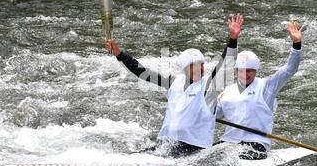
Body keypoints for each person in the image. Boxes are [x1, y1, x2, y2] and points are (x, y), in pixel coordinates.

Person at [104, 14, 244, 156]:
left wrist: (233, 39)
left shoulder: (209, 87)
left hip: (192, 150)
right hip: (166, 145)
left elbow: (225, 67)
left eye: (201, 65)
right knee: (130, 158)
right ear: (184, 68)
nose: (198, 69)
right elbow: (141, 72)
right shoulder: (173, 83)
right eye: (193, 66)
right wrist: (119, 54)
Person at [216, 21, 303, 160]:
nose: (246, 74)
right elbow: (211, 115)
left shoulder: (266, 86)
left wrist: (296, 44)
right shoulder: (227, 91)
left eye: (249, 70)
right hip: (228, 143)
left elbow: (289, 69)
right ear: (236, 71)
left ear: (255, 71)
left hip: (255, 144)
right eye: (242, 71)